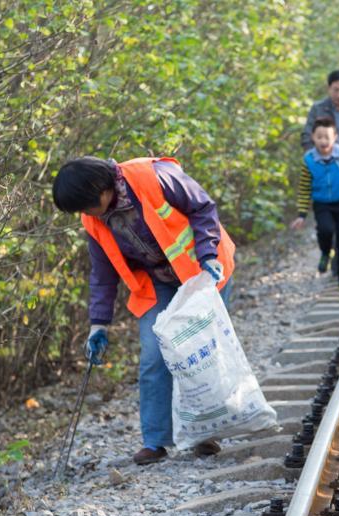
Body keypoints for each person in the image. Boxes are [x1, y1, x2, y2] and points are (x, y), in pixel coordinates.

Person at [52, 156, 236, 465]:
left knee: (202, 350)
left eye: (85, 205)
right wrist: (99, 324)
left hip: (204, 269)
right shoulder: (94, 220)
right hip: (157, 283)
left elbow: (203, 207)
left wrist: (207, 254)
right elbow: (102, 272)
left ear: (101, 188)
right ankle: (155, 441)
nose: (84, 213)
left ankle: (206, 432)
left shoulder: (155, 176)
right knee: (153, 354)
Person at [291, 117, 339, 290]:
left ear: (335, 137)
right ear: (313, 137)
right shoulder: (309, 160)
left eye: (327, 137)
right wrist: (301, 215)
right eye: (319, 137)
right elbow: (304, 189)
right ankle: (325, 251)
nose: (323, 141)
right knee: (325, 230)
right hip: (322, 204)